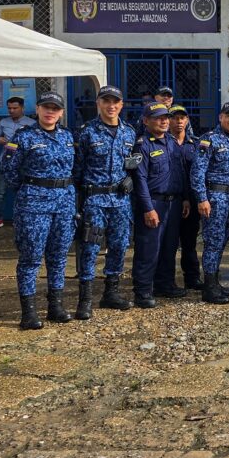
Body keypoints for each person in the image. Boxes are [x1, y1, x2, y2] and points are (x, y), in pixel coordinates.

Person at [1, 92, 77, 329]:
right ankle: (29, 313)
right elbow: (8, 169)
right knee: (31, 258)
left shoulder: (67, 136)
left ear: (61, 112)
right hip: (34, 205)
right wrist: (30, 190)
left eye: (55, 108)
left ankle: (56, 306)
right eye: (46, 107)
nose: (50, 112)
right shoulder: (23, 137)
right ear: (38, 109)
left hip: (64, 205)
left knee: (59, 256)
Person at [74, 85, 137, 313]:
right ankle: (85, 300)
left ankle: (111, 293)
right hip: (95, 201)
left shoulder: (129, 132)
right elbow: (77, 169)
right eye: (106, 101)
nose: (111, 106)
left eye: (115, 102)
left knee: (119, 246)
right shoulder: (86, 132)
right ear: (98, 104)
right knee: (90, 248)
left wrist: (129, 179)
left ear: (121, 105)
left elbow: (131, 164)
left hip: (120, 201)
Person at [130, 102, 189, 307]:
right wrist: (148, 208)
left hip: (173, 203)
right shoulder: (143, 145)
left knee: (169, 247)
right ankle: (143, 291)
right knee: (149, 249)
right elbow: (139, 179)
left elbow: (180, 173)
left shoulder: (172, 142)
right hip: (153, 203)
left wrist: (185, 198)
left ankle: (165, 284)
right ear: (146, 121)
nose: (164, 121)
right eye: (158, 118)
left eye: (166, 117)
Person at [191, 102, 229, 305]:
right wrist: (202, 198)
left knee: (223, 241)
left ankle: (215, 282)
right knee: (213, 242)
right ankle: (209, 287)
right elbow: (197, 171)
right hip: (215, 198)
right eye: (228, 115)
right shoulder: (209, 139)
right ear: (220, 117)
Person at [169, 105, 202, 290]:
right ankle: (168, 280)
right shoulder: (163, 142)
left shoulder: (195, 144)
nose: (179, 121)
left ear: (187, 120)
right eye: (175, 118)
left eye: (182, 118)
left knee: (189, 241)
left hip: (192, 200)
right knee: (169, 242)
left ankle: (192, 277)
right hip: (172, 200)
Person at [0, 96, 34, 229]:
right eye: (9, 108)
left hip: (23, 164)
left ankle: (22, 219)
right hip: (5, 162)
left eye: (15, 108)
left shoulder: (32, 123)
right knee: (0, 194)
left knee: (23, 192)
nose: (12, 111)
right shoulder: (3, 122)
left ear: (22, 108)